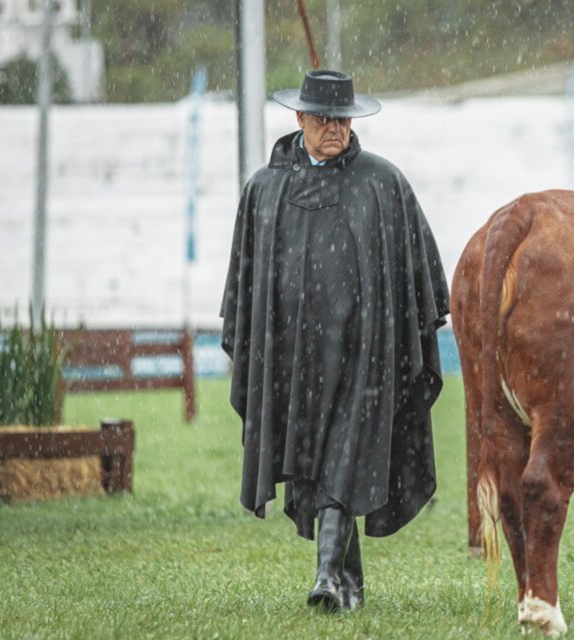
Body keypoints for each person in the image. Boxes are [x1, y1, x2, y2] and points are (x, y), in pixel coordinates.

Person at [221, 70, 450, 613]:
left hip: (367, 359)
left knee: (349, 456)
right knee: (310, 464)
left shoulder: (382, 183)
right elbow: (245, 285)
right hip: (291, 361)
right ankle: (349, 586)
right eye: (322, 118)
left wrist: (399, 337)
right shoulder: (264, 189)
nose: (333, 128)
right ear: (299, 119)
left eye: (342, 119)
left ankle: (327, 577)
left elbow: (420, 277)